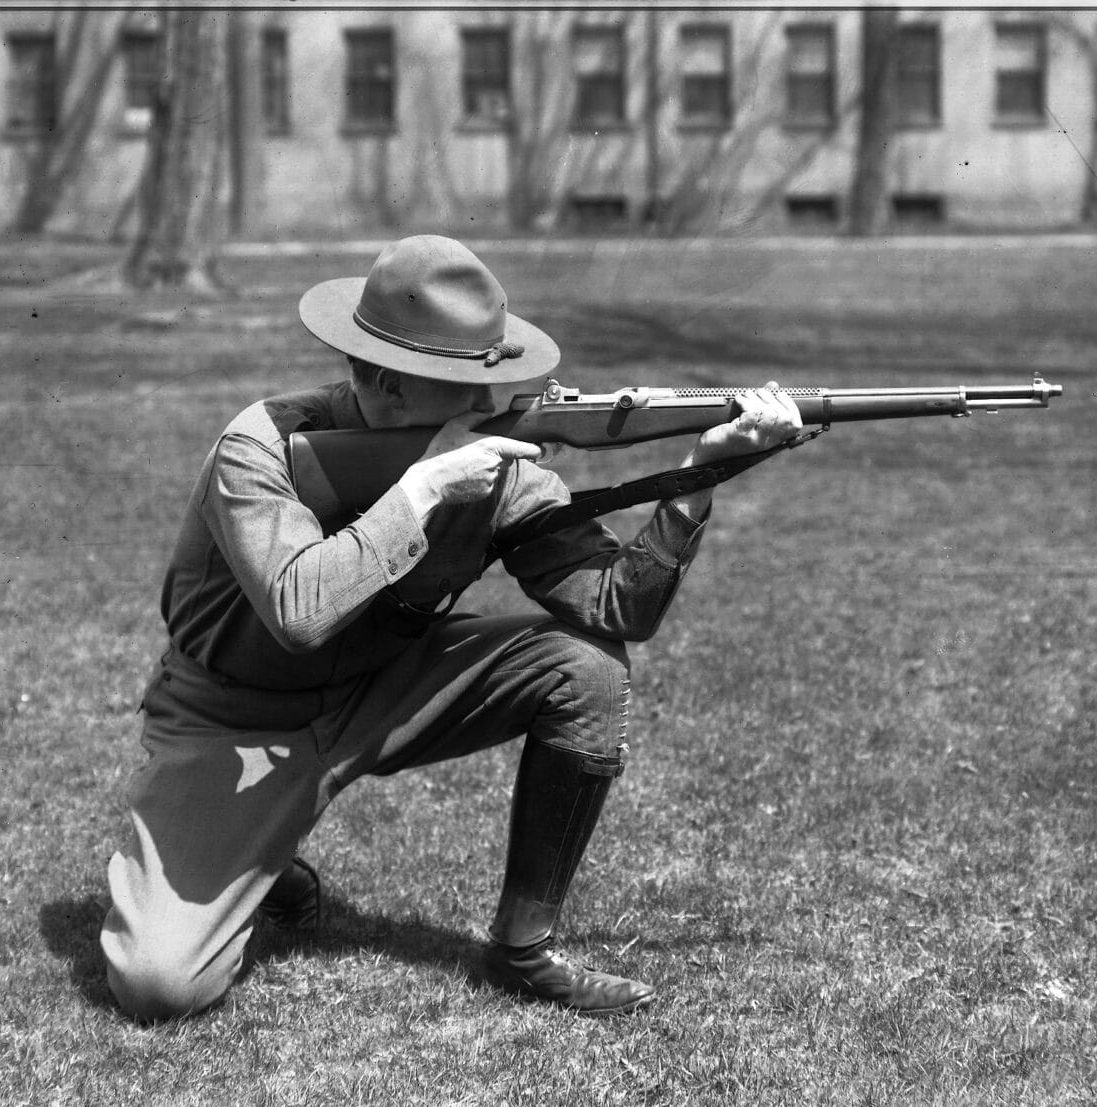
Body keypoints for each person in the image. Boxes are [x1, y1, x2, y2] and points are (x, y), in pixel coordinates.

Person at [100, 234, 804, 1020]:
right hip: (230, 720)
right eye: (467, 386)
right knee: (160, 988)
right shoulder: (259, 449)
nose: (492, 403)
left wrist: (704, 474)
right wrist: (421, 491)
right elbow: (300, 612)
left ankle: (521, 949)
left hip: (384, 688)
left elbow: (617, 608)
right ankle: (265, 860)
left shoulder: (495, 465)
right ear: (392, 390)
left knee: (588, 668)